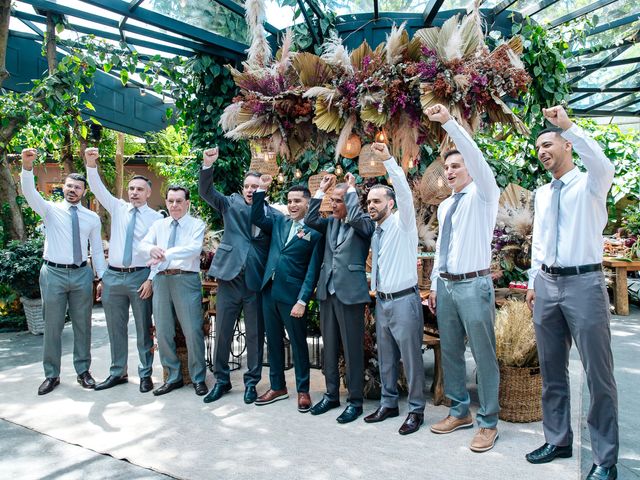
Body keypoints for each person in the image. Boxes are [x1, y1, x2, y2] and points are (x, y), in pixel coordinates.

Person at [525, 106, 618, 480]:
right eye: (537, 148)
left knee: (598, 374)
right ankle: (558, 439)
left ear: (566, 145)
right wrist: (534, 282)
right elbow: (540, 242)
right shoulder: (543, 193)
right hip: (547, 284)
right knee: (551, 368)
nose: (542, 151)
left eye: (547, 144)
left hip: (585, 283)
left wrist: (570, 126)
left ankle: (605, 459)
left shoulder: (592, 183)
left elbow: (600, 163)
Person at [425, 104, 501, 452]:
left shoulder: (484, 194)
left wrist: (450, 124)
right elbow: (442, 247)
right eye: (448, 167)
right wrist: (435, 284)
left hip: (475, 284)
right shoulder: (445, 205)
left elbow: (473, 154)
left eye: (457, 166)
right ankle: (459, 411)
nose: (451, 171)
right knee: (451, 350)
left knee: (483, 354)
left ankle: (488, 421)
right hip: (448, 285)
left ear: (472, 169)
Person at [20, 148, 107, 395]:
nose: (72, 190)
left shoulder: (92, 218)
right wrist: (27, 167)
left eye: (77, 187)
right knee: (53, 326)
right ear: (64, 187)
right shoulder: (49, 209)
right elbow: (29, 192)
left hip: (81, 274)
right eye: (69, 186)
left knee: (83, 325)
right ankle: (51, 374)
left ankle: (83, 371)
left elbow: (97, 250)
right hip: (53, 274)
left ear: (84, 191)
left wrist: (101, 277)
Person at [198, 147, 280, 404]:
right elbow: (206, 192)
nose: (249, 189)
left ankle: (251, 383)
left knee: (256, 335)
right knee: (222, 332)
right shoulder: (230, 203)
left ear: (263, 189)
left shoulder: (273, 215)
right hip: (229, 279)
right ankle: (221, 380)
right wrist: (207, 165)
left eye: (255, 186)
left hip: (255, 282)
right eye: (246, 185)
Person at [85, 148, 162, 393]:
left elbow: (160, 253)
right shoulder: (118, 208)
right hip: (114, 276)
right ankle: (117, 372)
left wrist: (151, 279)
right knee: (114, 328)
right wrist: (90, 164)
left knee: (143, 328)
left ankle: (145, 373)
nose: (135, 193)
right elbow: (97, 189)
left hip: (140, 276)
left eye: (140, 189)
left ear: (148, 193)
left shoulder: (156, 218)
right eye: (131, 189)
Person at [363, 143, 426, 435]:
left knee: (411, 359)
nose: (372, 205)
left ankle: (416, 410)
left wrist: (388, 160)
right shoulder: (376, 232)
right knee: (385, 356)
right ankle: (389, 403)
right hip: (382, 302)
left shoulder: (403, 224)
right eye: (369, 202)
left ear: (390, 203)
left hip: (404, 301)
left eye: (377, 201)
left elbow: (402, 189)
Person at [305, 172, 374, 424]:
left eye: (338, 201)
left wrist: (352, 190)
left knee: (353, 350)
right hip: (327, 292)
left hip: (350, 294)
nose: (332, 205)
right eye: (332, 200)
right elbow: (311, 219)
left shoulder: (364, 222)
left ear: (350, 202)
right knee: (330, 348)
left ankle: (355, 401)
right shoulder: (330, 222)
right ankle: (331, 395)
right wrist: (321, 192)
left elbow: (356, 217)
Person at [250, 176, 323, 412]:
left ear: (308, 204)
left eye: (298, 201)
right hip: (269, 290)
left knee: (299, 344)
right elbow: (257, 216)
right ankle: (277, 386)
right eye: (290, 201)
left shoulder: (315, 231)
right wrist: (261, 188)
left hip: (293, 296)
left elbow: (312, 271)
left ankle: (303, 391)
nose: (292, 205)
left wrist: (303, 300)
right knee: (273, 342)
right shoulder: (279, 222)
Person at [138, 186, 207, 397]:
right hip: (160, 280)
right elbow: (142, 244)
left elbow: (193, 249)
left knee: (192, 330)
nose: (174, 205)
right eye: (170, 201)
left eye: (179, 201)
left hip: (185, 279)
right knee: (163, 331)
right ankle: (174, 375)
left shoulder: (197, 224)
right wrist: (151, 249)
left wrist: (165, 253)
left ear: (187, 202)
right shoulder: (159, 225)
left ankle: (198, 378)